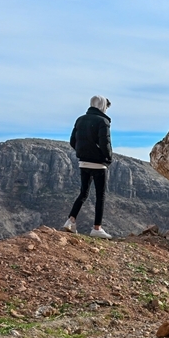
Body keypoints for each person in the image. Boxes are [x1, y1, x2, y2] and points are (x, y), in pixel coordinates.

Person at [63, 95, 113, 238]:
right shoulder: (103, 121)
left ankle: (70, 220)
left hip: (83, 162)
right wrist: (108, 158)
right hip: (99, 164)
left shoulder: (80, 120)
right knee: (100, 196)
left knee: (83, 193)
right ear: (102, 106)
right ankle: (97, 228)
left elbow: (73, 141)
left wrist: (84, 151)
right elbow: (105, 144)